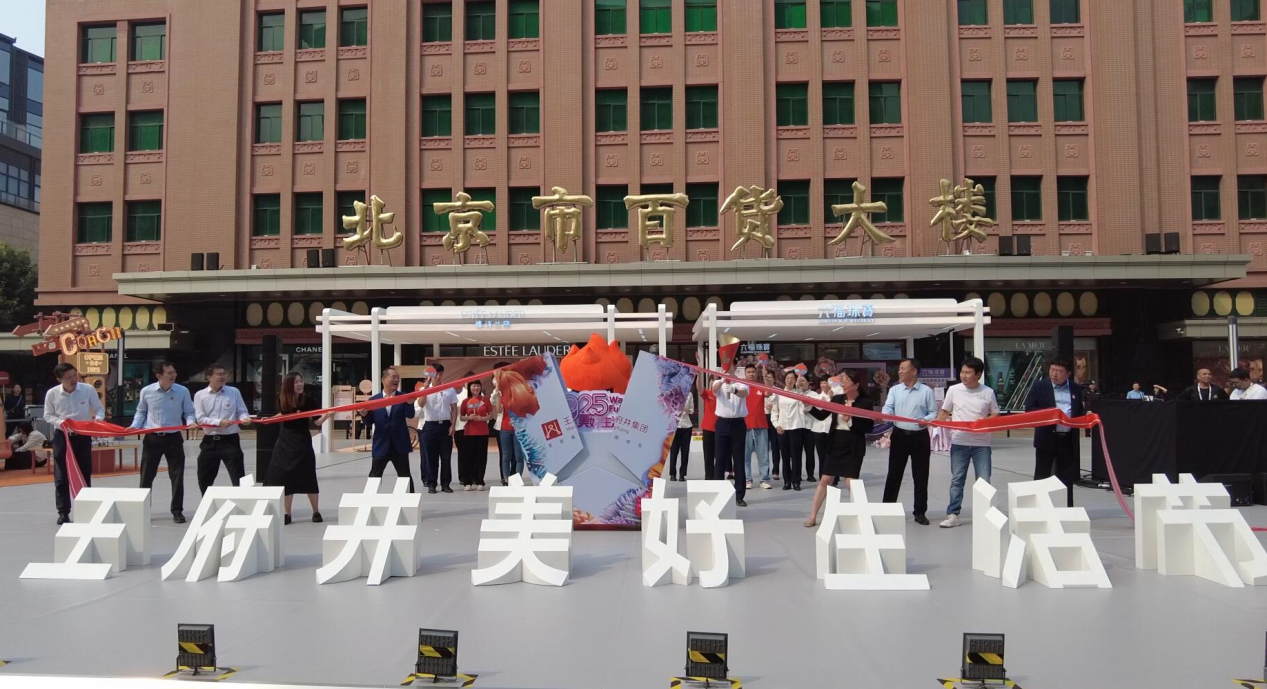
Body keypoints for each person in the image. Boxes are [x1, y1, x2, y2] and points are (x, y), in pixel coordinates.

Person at [935, 357, 1000, 528]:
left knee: (984, 480)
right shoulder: (954, 390)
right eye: (962, 372)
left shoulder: (988, 392)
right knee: (957, 479)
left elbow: (995, 414)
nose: (963, 376)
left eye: (968, 373)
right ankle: (953, 514)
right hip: (959, 442)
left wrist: (983, 422)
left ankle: (985, 514)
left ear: (978, 374)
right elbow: (944, 412)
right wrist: (935, 424)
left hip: (982, 443)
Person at [804, 369, 874, 527]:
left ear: (856, 384)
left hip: (853, 444)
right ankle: (813, 517)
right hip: (836, 442)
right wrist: (808, 406)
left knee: (850, 483)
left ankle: (861, 517)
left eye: (846, 380)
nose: (842, 384)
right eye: (842, 380)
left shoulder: (865, 402)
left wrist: (851, 420)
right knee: (825, 479)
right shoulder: (837, 399)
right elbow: (822, 415)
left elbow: (869, 427)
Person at [129, 361, 197, 523]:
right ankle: (143, 511)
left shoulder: (182, 391)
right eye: (169, 373)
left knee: (177, 475)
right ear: (159, 375)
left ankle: (177, 511)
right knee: (146, 476)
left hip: (174, 438)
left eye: (174, 372)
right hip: (153, 438)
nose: (173, 375)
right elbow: (141, 412)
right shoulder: (147, 391)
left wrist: (191, 422)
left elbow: (189, 412)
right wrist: (134, 426)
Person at [43, 363, 105, 524]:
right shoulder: (52, 393)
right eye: (68, 377)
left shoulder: (87, 389)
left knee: (84, 472)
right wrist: (61, 422)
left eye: (74, 375)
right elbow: (48, 415)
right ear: (59, 379)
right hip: (62, 436)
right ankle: (63, 512)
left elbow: (99, 409)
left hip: (83, 435)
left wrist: (98, 420)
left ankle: (86, 510)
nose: (73, 380)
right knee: (62, 475)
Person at [267, 372, 332, 524]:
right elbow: (284, 415)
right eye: (296, 382)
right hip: (286, 440)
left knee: (308, 474)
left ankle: (316, 511)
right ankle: (287, 513)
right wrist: (269, 420)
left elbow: (317, 422)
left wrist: (328, 415)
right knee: (286, 475)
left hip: (303, 440)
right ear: (289, 384)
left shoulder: (309, 400)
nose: (299, 384)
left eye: (301, 381)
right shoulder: (282, 399)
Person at [881, 358, 938, 525]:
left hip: (920, 436)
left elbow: (933, 412)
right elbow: (888, 407)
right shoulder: (895, 390)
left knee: (921, 475)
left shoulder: (926, 391)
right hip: (899, 435)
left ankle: (920, 512)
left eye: (903, 368)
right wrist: (886, 415)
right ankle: (887, 510)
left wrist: (926, 419)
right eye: (899, 368)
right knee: (894, 474)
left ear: (914, 371)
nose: (899, 371)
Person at [1024, 356, 1085, 508]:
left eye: (1059, 371)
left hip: (1067, 438)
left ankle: (1066, 508)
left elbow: (1079, 411)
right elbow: (1029, 409)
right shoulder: (1040, 386)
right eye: (1052, 370)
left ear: (1068, 374)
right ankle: (1038, 508)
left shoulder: (1075, 388)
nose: (1054, 374)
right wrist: (1050, 414)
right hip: (1047, 437)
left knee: (1066, 476)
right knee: (1042, 474)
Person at [193, 364, 252, 494]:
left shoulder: (234, 392)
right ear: (209, 377)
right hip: (210, 442)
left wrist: (245, 418)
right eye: (219, 374)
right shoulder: (200, 395)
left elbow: (242, 411)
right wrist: (219, 422)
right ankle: (206, 502)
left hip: (230, 440)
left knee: (238, 477)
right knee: (204, 477)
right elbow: (201, 419)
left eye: (224, 374)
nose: (223, 377)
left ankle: (243, 500)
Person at [363, 367, 415, 492]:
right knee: (375, 475)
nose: (397, 380)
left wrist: (409, 403)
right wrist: (364, 415)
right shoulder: (374, 400)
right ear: (384, 379)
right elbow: (369, 422)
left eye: (398, 378)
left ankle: (410, 500)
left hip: (399, 445)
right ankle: (370, 500)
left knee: (405, 475)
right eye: (394, 377)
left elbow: (410, 415)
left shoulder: (404, 397)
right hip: (381, 444)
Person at [711, 364, 749, 507]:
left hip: (738, 424)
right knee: (719, 458)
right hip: (722, 423)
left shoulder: (742, 382)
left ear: (734, 368)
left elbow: (744, 393)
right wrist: (722, 379)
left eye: (730, 365)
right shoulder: (717, 382)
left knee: (738, 460)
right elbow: (714, 390)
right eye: (725, 365)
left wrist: (734, 389)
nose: (727, 368)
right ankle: (718, 493)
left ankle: (739, 495)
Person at [418, 363, 459, 493]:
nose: (438, 377)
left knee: (446, 457)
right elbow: (420, 404)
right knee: (431, 457)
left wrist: (453, 425)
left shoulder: (449, 389)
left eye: (440, 374)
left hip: (445, 425)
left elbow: (454, 408)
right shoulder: (424, 389)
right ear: (430, 375)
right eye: (435, 374)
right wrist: (425, 388)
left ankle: (446, 484)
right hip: (429, 426)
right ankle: (431, 483)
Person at [771, 371, 807, 491]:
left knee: (796, 456)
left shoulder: (799, 393)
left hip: (796, 427)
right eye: (787, 378)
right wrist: (776, 425)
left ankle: (796, 481)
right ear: (784, 380)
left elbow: (805, 408)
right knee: (785, 456)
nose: (790, 380)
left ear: (795, 380)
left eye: (792, 378)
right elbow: (774, 411)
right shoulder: (779, 394)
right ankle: (787, 481)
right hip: (783, 429)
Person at [457, 380, 493, 490]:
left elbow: (491, 415)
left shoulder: (485, 400)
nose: (476, 388)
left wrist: (482, 418)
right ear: (469, 388)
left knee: (481, 457)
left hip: (483, 432)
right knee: (468, 457)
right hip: (469, 432)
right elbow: (461, 417)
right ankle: (467, 481)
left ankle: (480, 481)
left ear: (480, 387)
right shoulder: (465, 401)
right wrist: (468, 418)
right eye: (473, 386)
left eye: (478, 386)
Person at [742, 364, 772, 490]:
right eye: (748, 372)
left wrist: (765, 376)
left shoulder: (761, 385)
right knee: (745, 455)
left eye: (753, 372)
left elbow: (769, 392)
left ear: (756, 373)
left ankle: (764, 479)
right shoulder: (741, 386)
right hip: (744, 425)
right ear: (745, 373)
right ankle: (747, 479)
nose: (751, 374)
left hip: (761, 424)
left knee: (763, 454)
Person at [491, 379, 526, 485]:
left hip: (518, 429)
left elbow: (525, 413)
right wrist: (498, 396)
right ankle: (506, 479)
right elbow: (498, 411)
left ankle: (518, 479)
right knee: (506, 456)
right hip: (505, 429)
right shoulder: (502, 396)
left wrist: (516, 420)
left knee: (519, 456)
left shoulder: (520, 397)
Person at [809, 378, 833, 483]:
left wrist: (830, 400)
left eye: (825, 382)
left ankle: (834, 478)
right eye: (821, 383)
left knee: (831, 454)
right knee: (821, 455)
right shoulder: (816, 397)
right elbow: (814, 412)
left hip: (830, 429)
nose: (823, 385)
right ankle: (822, 477)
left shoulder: (836, 397)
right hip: (818, 429)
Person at [668, 392, 693, 481]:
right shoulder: (672, 393)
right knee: (674, 451)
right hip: (675, 425)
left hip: (687, 426)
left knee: (685, 452)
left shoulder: (689, 394)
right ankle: (672, 474)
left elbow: (692, 410)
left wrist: (687, 410)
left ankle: (682, 474)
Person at [763, 369, 781, 482]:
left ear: (774, 379)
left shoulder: (779, 391)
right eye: (766, 378)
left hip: (775, 419)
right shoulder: (760, 389)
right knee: (763, 447)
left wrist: (773, 406)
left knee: (775, 446)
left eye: (770, 378)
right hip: (763, 418)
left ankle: (775, 471)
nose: (768, 380)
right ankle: (764, 471)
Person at [698, 376, 718, 481]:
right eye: (712, 380)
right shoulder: (707, 393)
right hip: (708, 428)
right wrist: (698, 376)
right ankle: (708, 477)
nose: (714, 382)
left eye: (716, 380)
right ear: (710, 382)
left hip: (721, 429)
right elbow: (699, 388)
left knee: (719, 455)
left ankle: (718, 476)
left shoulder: (723, 396)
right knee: (708, 454)